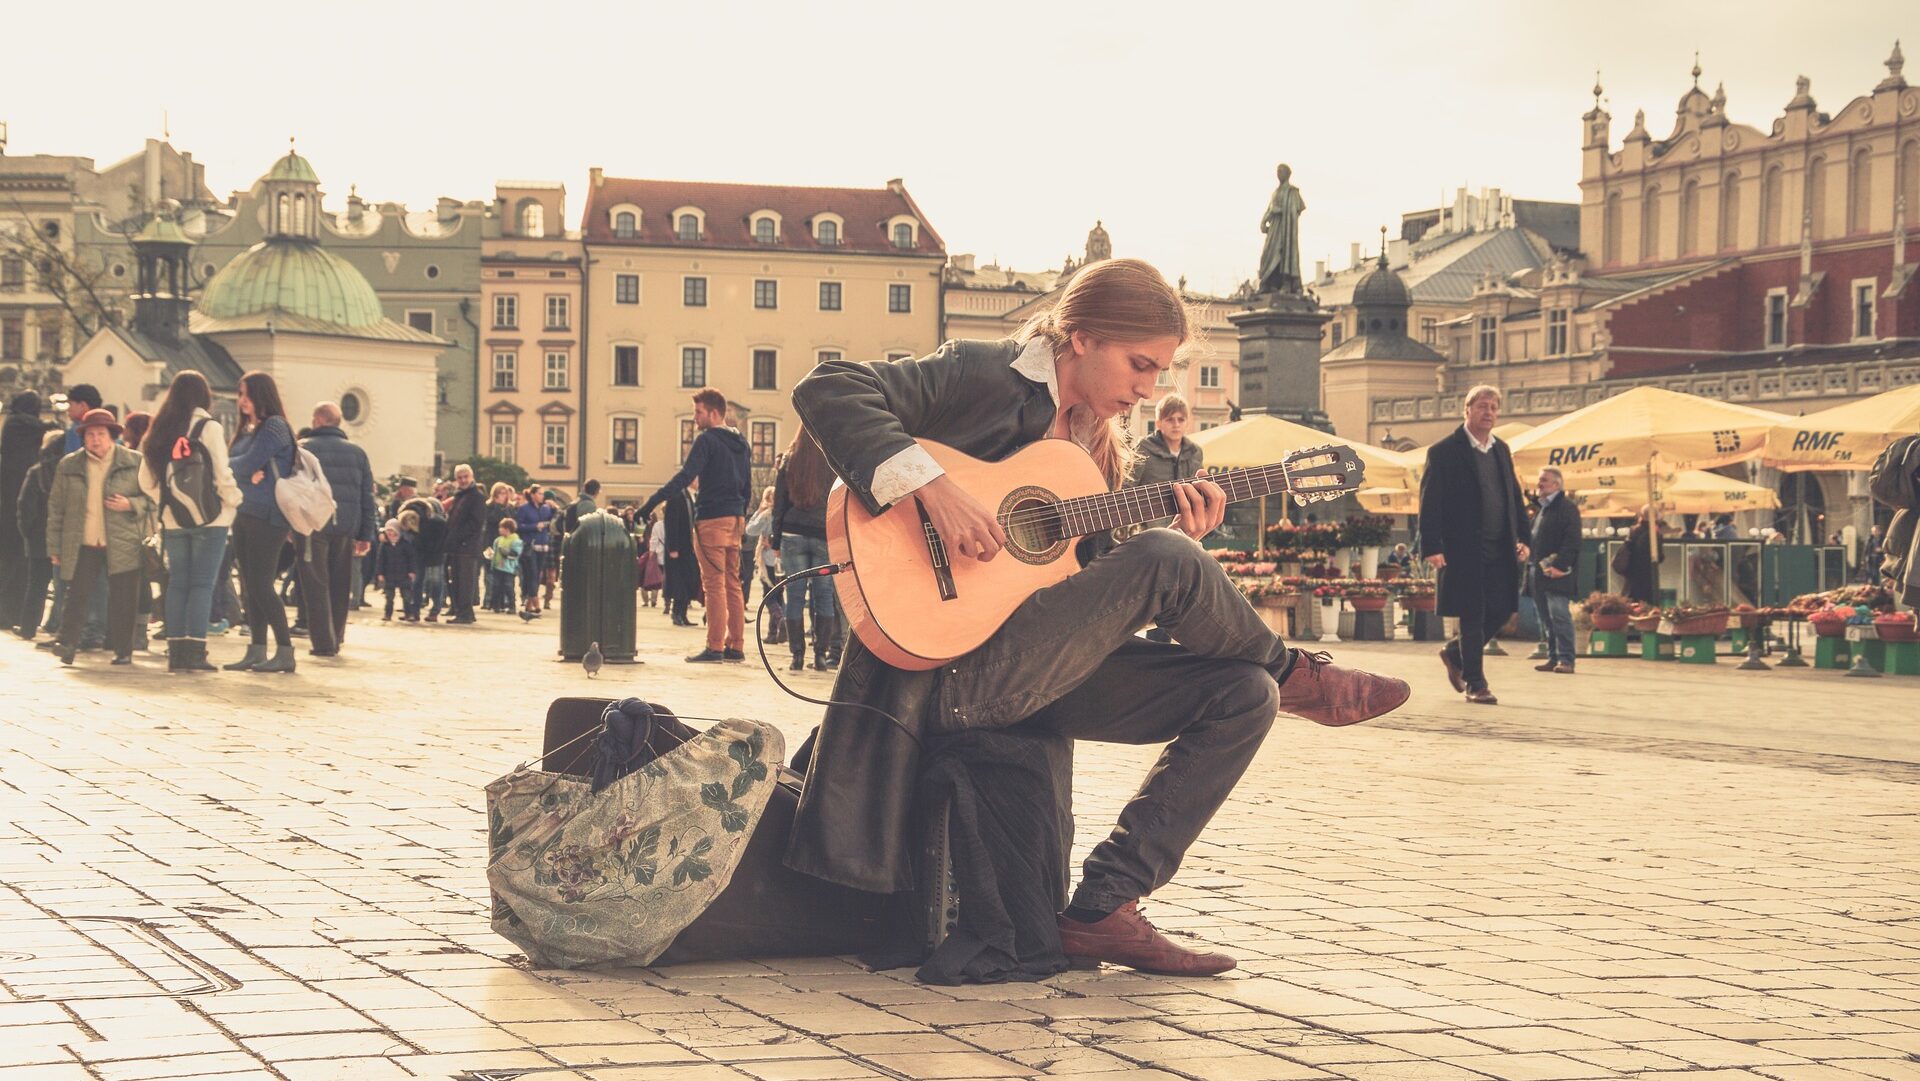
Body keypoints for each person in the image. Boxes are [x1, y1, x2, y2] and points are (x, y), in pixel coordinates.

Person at [790, 257, 1409, 976]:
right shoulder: (983, 373)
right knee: (1163, 559)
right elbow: (827, 387)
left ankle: (1104, 907)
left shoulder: (1097, 449)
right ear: (1079, 338)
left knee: (1244, 693)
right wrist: (936, 489)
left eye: (1159, 371)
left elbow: (1084, 590)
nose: (1149, 388)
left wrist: (1184, 546)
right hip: (948, 674)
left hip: (1034, 672)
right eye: (1140, 364)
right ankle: (1304, 675)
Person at [1418, 384, 1528, 706]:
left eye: (1494, 407)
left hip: (1500, 546)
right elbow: (1430, 502)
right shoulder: (1444, 452)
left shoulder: (1501, 450)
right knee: (1473, 614)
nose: (1489, 412)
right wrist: (1432, 545)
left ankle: (1454, 652)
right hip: (1463, 548)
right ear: (1466, 410)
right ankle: (1476, 684)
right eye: (1482, 406)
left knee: (1503, 608)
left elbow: (1514, 498)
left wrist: (1524, 537)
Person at [137, 372, 242, 672]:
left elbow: (145, 480)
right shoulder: (208, 427)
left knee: (178, 584)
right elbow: (222, 474)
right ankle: (196, 651)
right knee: (202, 585)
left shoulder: (159, 428)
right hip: (212, 519)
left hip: (173, 521)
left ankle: (176, 653)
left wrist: (169, 499)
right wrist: (233, 501)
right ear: (204, 394)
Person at [638, 387, 753, 662]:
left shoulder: (707, 440)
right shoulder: (742, 444)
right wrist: (741, 515)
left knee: (713, 584)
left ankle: (714, 646)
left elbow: (685, 476)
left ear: (714, 413)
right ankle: (735, 645)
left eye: (698, 412)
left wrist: (650, 503)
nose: (694, 418)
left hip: (712, 518)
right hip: (735, 518)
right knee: (733, 583)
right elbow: (747, 486)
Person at [45, 408, 151, 666]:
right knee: (77, 594)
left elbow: (152, 500)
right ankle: (66, 643)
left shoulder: (134, 461)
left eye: (101, 434)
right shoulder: (69, 464)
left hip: (123, 540)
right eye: (90, 434)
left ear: (112, 435)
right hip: (84, 540)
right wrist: (54, 546)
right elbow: (56, 508)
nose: (95, 439)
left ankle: (123, 650)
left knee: (124, 597)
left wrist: (130, 504)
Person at [223, 371, 297, 673]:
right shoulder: (246, 430)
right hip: (244, 513)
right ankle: (256, 649)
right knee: (250, 587)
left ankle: (285, 650)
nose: (241, 401)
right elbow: (231, 465)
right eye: (240, 394)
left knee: (262, 584)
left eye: (246, 395)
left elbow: (242, 463)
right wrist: (242, 472)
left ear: (260, 395)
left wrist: (240, 471)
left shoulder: (275, 427)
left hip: (269, 516)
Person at [296, 403, 377, 656]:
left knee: (316, 582)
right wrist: (366, 534)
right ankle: (337, 636)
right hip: (345, 525)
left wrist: (291, 524)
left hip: (312, 524)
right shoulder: (358, 453)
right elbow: (367, 497)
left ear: (319, 420)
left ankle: (323, 642)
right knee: (341, 583)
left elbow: (293, 489)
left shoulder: (303, 449)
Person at [1131, 393, 1204, 642]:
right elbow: (1127, 487)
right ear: (1158, 422)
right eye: (1170, 419)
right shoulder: (1143, 448)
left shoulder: (1195, 452)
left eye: (1181, 419)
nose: (1176, 424)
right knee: (1157, 589)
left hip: (1186, 531)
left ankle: (1175, 643)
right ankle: (1155, 644)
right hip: (1149, 531)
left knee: (1180, 589)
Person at [771, 430, 834, 671]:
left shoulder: (790, 459)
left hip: (792, 532)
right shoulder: (831, 455)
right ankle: (820, 656)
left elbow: (779, 503)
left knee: (795, 596)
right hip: (823, 533)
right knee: (824, 595)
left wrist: (776, 542)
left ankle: (797, 656)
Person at [1, 390, 49, 630]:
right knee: (22, 562)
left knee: (7, 559)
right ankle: (15, 614)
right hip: (27, 501)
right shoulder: (33, 429)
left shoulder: (9, 427)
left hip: (6, 502)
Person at [1528, 467, 1581, 676]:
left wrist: (1560, 566)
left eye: (1544, 480)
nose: (1539, 484)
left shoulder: (1567, 508)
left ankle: (1566, 659)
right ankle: (1553, 656)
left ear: (1556, 485)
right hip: (1539, 572)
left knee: (1559, 616)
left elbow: (1572, 541)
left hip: (1558, 573)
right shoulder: (1542, 509)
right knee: (1545, 618)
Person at [13, 430, 64, 640]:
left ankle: (28, 628)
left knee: (36, 585)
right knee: (63, 586)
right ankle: (59, 627)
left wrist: (28, 533)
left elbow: (25, 507)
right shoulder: (70, 470)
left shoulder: (37, 472)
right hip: (63, 537)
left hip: (39, 539)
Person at [445, 464, 487, 624]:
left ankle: (465, 613)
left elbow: (476, 523)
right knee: (457, 580)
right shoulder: (460, 495)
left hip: (467, 547)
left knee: (465, 581)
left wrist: (458, 537)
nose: (463, 480)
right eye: (459, 478)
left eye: (465, 477)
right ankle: (461, 611)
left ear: (472, 477)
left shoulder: (476, 496)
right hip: (457, 546)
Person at [659, 488, 698, 627]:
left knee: (687, 582)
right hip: (678, 549)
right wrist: (673, 548)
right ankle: (676, 614)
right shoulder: (675, 497)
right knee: (678, 583)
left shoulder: (690, 497)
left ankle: (683, 614)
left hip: (688, 549)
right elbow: (671, 524)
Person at [513, 485, 554, 618]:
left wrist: (555, 507)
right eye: (540, 494)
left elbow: (555, 519)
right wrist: (534, 526)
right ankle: (535, 603)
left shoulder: (545, 509)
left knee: (537, 575)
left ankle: (528, 606)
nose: (542, 496)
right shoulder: (524, 509)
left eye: (543, 494)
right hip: (530, 546)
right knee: (532, 573)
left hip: (543, 545)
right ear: (532, 495)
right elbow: (518, 526)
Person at [744, 485, 778, 643]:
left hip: (768, 559)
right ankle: (776, 632)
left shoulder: (766, 515)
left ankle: (776, 624)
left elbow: (750, 529)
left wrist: (758, 510)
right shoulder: (782, 513)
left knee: (769, 594)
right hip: (782, 559)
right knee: (779, 594)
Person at [481, 481, 518, 612]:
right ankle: (491, 602)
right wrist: (497, 506)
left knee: (505, 575)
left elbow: (513, 523)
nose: (504, 495)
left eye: (505, 493)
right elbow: (491, 520)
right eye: (501, 493)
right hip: (491, 542)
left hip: (506, 544)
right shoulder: (489, 506)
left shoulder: (509, 508)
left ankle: (505, 603)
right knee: (491, 576)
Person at [375, 518, 416, 620]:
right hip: (389, 574)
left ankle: (409, 613)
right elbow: (380, 560)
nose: (389, 533)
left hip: (404, 574)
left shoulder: (405, 544)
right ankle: (387, 614)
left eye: (391, 530)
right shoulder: (384, 545)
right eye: (387, 531)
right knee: (389, 597)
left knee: (406, 596)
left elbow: (411, 558)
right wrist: (380, 573)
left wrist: (412, 571)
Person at [1619, 505, 1659, 604]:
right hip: (1648, 574)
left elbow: (1628, 548)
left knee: (1631, 601)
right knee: (1647, 604)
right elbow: (1660, 556)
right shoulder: (1655, 534)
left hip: (1632, 573)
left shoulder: (1633, 531)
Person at [486, 517, 523, 613]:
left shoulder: (516, 540)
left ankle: (512, 606)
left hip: (509, 569)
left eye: (501, 528)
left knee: (508, 587)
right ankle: (497, 605)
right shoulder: (498, 540)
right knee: (496, 587)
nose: (499, 529)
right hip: (497, 567)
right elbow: (494, 552)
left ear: (507, 529)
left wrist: (506, 553)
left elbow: (516, 553)